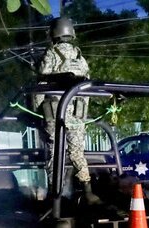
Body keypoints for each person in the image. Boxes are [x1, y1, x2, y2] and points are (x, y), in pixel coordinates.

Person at [35, 16, 99, 203]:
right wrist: (82, 110)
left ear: (53, 34)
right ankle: (87, 191)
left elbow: (41, 84)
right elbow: (86, 85)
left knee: (55, 153)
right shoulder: (80, 57)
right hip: (77, 113)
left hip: (56, 112)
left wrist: (39, 110)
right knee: (78, 152)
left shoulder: (51, 54)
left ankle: (55, 196)